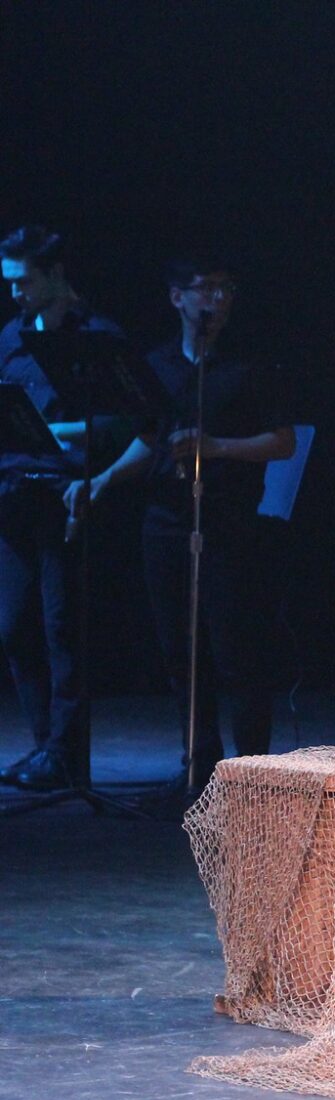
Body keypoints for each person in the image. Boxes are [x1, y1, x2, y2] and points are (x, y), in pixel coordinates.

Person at [93, 257, 294, 790]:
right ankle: (200, 767)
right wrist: (102, 480)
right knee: (181, 651)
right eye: (206, 289)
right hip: (166, 521)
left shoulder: (248, 367)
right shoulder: (157, 365)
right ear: (177, 297)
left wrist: (216, 448)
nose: (218, 299)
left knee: (236, 650)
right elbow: (149, 438)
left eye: (227, 288)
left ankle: (254, 770)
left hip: (230, 522)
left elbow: (283, 441)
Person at [0, 226, 124, 791]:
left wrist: (48, 433)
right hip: (15, 494)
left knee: (61, 628)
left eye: (24, 282)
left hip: (66, 494)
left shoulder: (96, 337)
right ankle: (48, 747)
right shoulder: (12, 335)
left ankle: (64, 753)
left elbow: (125, 418)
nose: (15, 294)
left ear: (54, 275)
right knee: (15, 625)